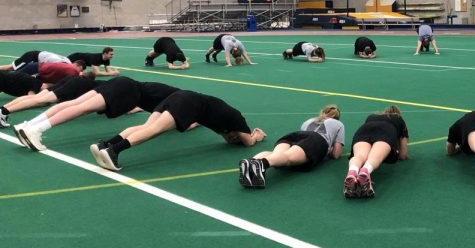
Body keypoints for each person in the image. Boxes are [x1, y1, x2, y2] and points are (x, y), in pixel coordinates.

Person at [90, 90, 267, 171]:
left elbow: (229, 139)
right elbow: (247, 142)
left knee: (147, 126)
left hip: (179, 97)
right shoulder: (239, 120)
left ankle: (105, 144)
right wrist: (257, 136)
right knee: (154, 131)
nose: (233, 139)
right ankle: (114, 150)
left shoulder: (225, 121)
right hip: (188, 103)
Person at [15, 77, 180, 152]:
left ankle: (29, 125)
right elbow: (177, 122)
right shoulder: (181, 101)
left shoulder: (173, 95)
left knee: (76, 104)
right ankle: (36, 130)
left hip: (122, 83)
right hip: (127, 89)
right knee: (82, 108)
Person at [239, 104, 345, 189]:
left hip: (295, 135)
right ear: (337, 117)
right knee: (289, 157)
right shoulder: (338, 124)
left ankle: (253, 161)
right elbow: (336, 154)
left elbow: (302, 138)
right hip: (316, 141)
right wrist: (329, 149)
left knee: (276, 154)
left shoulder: (309, 120)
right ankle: (261, 164)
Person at [343, 105, 409, 199]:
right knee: (374, 157)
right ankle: (365, 172)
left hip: (364, 130)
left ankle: (352, 172)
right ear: (397, 113)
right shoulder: (399, 118)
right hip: (386, 130)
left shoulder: (371, 117)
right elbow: (403, 154)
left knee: (360, 156)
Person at [0, 73, 96, 128]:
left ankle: (3, 110)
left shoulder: (73, 77)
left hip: (68, 80)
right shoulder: (87, 83)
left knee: (36, 98)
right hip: (73, 83)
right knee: (40, 100)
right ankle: (3, 111)